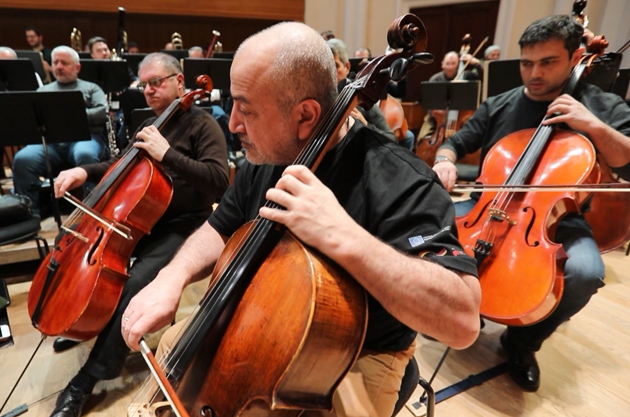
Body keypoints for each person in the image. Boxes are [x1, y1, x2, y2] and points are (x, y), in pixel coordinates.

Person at [121, 22, 481, 417]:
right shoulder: (266, 156)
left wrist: (344, 237)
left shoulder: (400, 179)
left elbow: (462, 322)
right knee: (173, 350)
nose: (233, 124)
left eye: (247, 109)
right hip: (257, 316)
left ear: (306, 115)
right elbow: (219, 226)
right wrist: (171, 278)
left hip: (352, 355)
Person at [433, 15, 630, 392]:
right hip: (488, 206)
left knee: (586, 273)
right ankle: (446, 308)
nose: (534, 73)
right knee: (424, 228)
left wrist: (593, 125)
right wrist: (444, 160)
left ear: (575, 58)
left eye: (548, 62)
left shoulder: (601, 105)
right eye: (527, 63)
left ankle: (522, 343)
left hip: (556, 218)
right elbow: (455, 143)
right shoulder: (500, 104)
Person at [47, 52, 229, 417]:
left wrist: (168, 155)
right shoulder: (147, 124)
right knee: (84, 256)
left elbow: (219, 181)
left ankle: (86, 381)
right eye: (142, 84)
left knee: (137, 283)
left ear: (179, 81)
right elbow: (122, 167)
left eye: (155, 82)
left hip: (183, 223)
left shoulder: (202, 123)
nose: (146, 90)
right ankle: (86, 323)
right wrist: (84, 170)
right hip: (138, 219)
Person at [11, 46, 108, 215]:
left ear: (77, 67)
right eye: (55, 62)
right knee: (22, 159)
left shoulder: (91, 88)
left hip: (84, 138)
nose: (59, 67)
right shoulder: (43, 91)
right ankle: (30, 214)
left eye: (64, 63)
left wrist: (70, 115)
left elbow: (102, 112)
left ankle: (94, 211)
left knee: (85, 155)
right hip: (51, 142)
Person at [417, 51, 481, 143]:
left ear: (458, 65)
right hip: (437, 119)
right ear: (442, 64)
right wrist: (439, 114)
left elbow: (484, 78)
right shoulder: (435, 79)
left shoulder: (467, 76)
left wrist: (477, 63)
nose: (450, 67)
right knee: (421, 138)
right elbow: (429, 105)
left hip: (461, 119)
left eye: (453, 64)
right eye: (448, 64)